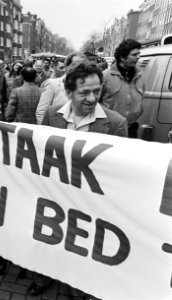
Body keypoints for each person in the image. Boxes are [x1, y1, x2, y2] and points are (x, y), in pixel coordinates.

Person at [38, 62, 127, 298]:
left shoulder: (116, 123)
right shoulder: (52, 114)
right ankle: (47, 276)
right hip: (56, 198)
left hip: (89, 204)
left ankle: (79, 289)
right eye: (84, 92)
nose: (92, 98)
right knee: (52, 243)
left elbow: (119, 172)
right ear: (68, 92)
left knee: (82, 249)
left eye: (96, 91)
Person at [100, 39, 144, 138]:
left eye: (138, 54)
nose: (138, 57)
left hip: (132, 129)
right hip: (110, 129)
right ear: (123, 57)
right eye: (134, 54)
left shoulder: (140, 76)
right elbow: (95, 103)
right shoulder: (105, 76)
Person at [35, 52, 87, 124]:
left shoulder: (88, 87)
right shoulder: (53, 84)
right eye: (74, 65)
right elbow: (41, 112)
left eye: (82, 66)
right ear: (67, 67)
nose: (78, 69)